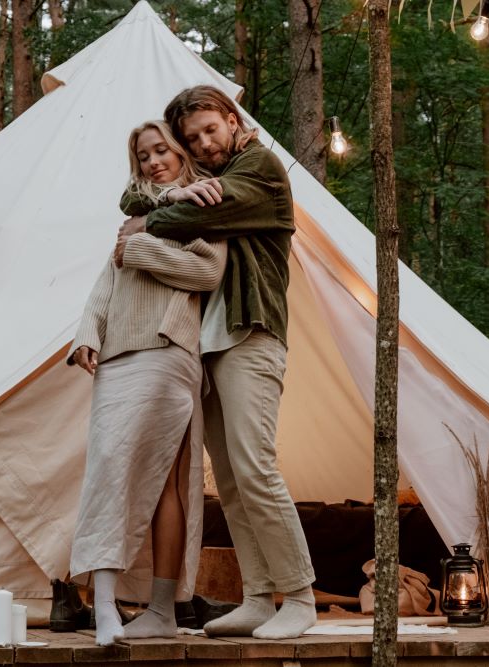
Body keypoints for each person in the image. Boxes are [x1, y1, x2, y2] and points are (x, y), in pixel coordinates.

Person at [115, 86, 317, 640]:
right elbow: (135, 199)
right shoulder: (203, 175)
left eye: (211, 130)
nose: (204, 145)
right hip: (207, 345)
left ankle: (299, 594)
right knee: (228, 479)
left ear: (232, 119)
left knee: (255, 466)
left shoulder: (262, 167)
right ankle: (257, 596)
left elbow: (198, 212)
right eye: (193, 139)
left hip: (251, 332)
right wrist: (162, 205)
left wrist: (150, 225)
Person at [68, 120, 227, 646]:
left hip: (167, 346)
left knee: (168, 484)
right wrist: (87, 332)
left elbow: (207, 273)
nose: (154, 161)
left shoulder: (203, 205)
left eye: (163, 150)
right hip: (118, 352)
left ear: (183, 155)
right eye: (143, 156)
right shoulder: (136, 218)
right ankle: (107, 605)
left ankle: (161, 606)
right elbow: (107, 278)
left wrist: (138, 247)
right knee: (109, 470)